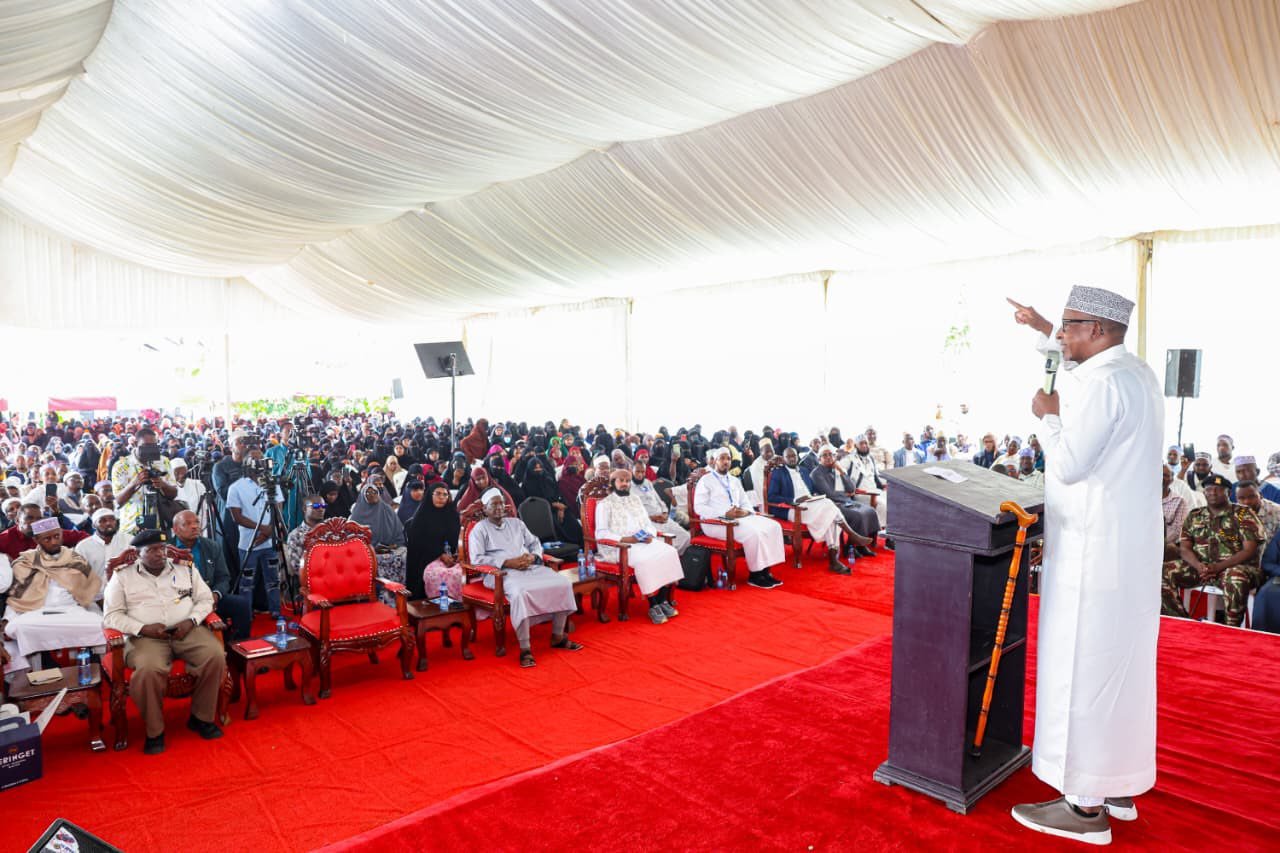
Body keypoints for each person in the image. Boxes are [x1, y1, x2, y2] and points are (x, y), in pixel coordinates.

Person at [1007, 287, 1163, 843]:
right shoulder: (1135, 373)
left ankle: (1083, 808)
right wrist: (1042, 325)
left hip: (1093, 557)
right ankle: (1114, 779)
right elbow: (1081, 373)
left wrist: (1047, 419)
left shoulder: (1104, 382)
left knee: (1084, 668)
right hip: (1125, 552)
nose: (1062, 336)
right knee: (1119, 669)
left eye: (1070, 326)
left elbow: (1071, 464)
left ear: (1097, 330)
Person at [102, 530, 226, 754]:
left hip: (186, 630)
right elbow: (111, 616)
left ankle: (201, 718)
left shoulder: (185, 568)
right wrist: (142, 628)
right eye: (152, 550)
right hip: (145, 637)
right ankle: (155, 731)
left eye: (163, 548)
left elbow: (205, 599)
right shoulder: (122, 576)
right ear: (138, 554)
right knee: (149, 670)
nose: (160, 554)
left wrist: (191, 621)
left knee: (215, 655)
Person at [468, 488, 582, 668]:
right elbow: (477, 559)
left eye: (501, 503)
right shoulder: (479, 530)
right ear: (485, 509)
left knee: (562, 584)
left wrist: (533, 556)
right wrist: (507, 562)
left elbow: (534, 542)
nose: (499, 508)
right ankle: (525, 648)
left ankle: (558, 636)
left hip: (528, 567)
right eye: (494, 504)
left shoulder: (516, 523)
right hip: (499, 574)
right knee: (520, 593)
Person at [2, 518, 104, 677]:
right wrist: (8, 618)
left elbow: (92, 590)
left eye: (57, 536)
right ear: (36, 539)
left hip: (71, 610)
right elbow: (17, 597)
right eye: (47, 539)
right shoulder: (25, 562)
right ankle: (35, 675)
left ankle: (99, 672)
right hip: (36, 611)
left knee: (100, 626)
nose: (54, 542)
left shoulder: (74, 558)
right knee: (21, 628)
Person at [1161, 474, 1262, 627]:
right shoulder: (1195, 515)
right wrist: (1199, 566)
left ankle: (1230, 629)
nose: (1213, 493)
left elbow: (1249, 550)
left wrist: (1217, 567)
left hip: (1237, 569)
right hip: (1200, 568)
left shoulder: (1243, 514)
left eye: (1218, 489)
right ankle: (1182, 623)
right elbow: (1184, 548)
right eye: (1209, 489)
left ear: (1228, 493)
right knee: (1163, 572)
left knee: (1235, 577)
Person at [595, 469, 684, 624]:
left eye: (627, 481)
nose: (625, 484)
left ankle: (662, 599)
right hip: (620, 546)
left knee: (669, 552)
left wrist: (649, 534)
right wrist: (627, 539)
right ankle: (653, 604)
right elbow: (601, 533)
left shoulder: (635, 499)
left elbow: (647, 524)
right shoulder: (604, 504)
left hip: (641, 541)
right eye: (621, 481)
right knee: (644, 560)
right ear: (613, 483)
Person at [693, 447, 786, 589]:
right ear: (715, 461)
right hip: (715, 522)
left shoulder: (734, 480)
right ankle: (755, 575)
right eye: (722, 458)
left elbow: (745, 501)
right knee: (754, 533)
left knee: (773, 526)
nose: (726, 462)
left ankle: (766, 571)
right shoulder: (706, 481)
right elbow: (699, 508)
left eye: (728, 459)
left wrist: (746, 511)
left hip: (739, 518)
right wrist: (725, 512)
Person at [768, 447, 861, 574]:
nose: (792, 458)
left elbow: (811, 491)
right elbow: (771, 496)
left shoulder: (804, 471)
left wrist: (815, 496)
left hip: (811, 504)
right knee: (830, 510)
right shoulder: (778, 473)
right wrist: (795, 499)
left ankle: (834, 560)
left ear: (797, 457)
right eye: (788, 456)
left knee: (829, 512)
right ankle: (847, 541)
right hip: (793, 508)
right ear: (783, 459)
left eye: (794, 456)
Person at [172, 509, 251, 641]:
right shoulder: (167, 549)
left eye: (197, 522)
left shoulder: (211, 546)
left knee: (241, 604)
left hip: (211, 596)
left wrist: (215, 594)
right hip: (181, 600)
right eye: (187, 524)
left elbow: (224, 577)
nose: (194, 526)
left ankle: (237, 646)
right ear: (175, 529)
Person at [226, 455, 284, 620]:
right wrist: (264, 529)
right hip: (248, 542)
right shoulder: (236, 487)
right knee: (247, 582)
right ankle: (246, 613)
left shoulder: (273, 484)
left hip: (269, 542)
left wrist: (268, 532)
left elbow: (278, 509)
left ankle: (276, 611)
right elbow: (237, 517)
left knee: (273, 579)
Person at [809, 446, 880, 554]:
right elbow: (830, 494)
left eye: (831, 455)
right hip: (832, 505)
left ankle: (860, 546)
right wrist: (845, 494)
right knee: (858, 516)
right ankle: (850, 548)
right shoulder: (816, 473)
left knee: (870, 511)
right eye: (825, 455)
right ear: (819, 459)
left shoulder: (837, 469)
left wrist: (841, 471)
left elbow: (852, 488)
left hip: (846, 501)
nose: (828, 457)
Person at [110, 426, 177, 536]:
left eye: (154, 446)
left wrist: (163, 485)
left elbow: (174, 494)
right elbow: (118, 501)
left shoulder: (163, 461)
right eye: (146, 446)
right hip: (132, 527)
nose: (150, 450)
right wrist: (134, 483)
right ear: (135, 444)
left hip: (160, 525)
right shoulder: (121, 466)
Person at [349, 483, 407, 606]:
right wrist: (372, 548)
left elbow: (398, 534)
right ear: (362, 496)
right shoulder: (356, 514)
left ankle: (398, 597)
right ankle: (376, 600)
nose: (372, 495)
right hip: (367, 553)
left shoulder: (387, 510)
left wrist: (391, 546)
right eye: (368, 493)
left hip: (389, 550)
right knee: (372, 560)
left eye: (374, 492)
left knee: (404, 555)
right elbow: (352, 541)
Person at [406, 482, 463, 601]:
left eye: (445, 495)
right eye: (437, 494)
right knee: (439, 575)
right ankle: (437, 606)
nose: (441, 497)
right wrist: (439, 554)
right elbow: (417, 543)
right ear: (430, 495)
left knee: (461, 574)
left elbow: (455, 540)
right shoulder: (422, 516)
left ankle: (458, 607)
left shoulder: (452, 515)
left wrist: (453, 554)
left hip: (450, 557)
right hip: (425, 558)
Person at [630, 458, 690, 554]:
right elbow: (633, 513)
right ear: (631, 470)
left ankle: (677, 558)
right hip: (648, 522)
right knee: (663, 546)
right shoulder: (628, 488)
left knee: (686, 537)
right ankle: (669, 558)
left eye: (642, 471)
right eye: (637, 471)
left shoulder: (648, 483)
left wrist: (665, 513)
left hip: (663, 518)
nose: (640, 474)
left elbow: (660, 501)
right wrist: (652, 518)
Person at [74, 507, 129, 581]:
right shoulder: (83, 547)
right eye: (102, 521)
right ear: (94, 525)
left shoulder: (128, 540)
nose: (108, 523)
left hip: (125, 589)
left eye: (112, 519)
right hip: (96, 590)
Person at [846, 435, 888, 530]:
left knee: (894, 501)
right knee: (883, 505)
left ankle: (894, 531)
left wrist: (884, 486)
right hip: (860, 493)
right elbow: (839, 472)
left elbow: (876, 477)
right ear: (856, 446)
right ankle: (884, 534)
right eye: (861, 443)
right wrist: (846, 491)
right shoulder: (849, 459)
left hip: (875, 490)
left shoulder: (870, 458)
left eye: (866, 443)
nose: (864, 445)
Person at [1235, 480, 1280, 546]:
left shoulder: (1277, 512)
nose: (1246, 502)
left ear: (1260, 495)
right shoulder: (1233, 513)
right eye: (1241, 498)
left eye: (1251, 496)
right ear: (1237, 499)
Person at [1161, 465, 1189, 561]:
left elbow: (1177, 532)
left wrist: (1156, 542)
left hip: (1166, 544)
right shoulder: (1143, 499)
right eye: (1159, 474)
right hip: (1143, 540)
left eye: (1165, 475)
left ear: (1172, 479)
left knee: (1170, 549)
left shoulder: (1179, 501)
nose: (1161, 478)